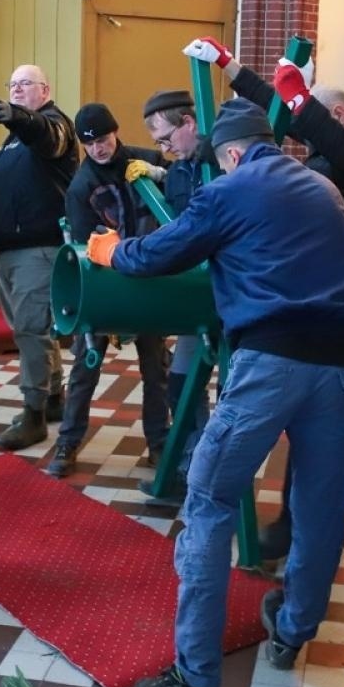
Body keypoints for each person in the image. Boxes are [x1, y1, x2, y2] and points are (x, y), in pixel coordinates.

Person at [90, 99, 344, 687]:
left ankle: (194, 674)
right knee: (320, 507)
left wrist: (110, 251)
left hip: (271, 361)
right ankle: (293, 630)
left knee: (210, 502)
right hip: (343, 367)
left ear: (233, 154)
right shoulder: (323, 188)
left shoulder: (232, 187)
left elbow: (160, 255)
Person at [187, 36, 344, 557]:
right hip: (342, 289)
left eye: (318, 123)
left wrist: (298, 96)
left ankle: (302, 520)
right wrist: (233, 68)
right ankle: (306, 512)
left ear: (338, 113)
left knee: (324, 399)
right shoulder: (337, 139)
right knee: (321, 398)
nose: (310, 152)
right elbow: (278, 124)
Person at [46, 103, 170, 478]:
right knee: (86, 367)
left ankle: (159, 443)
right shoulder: (81, 185)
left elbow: (185, 185)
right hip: (105, 284)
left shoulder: (145, 160)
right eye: (90, 144)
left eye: (103, 139)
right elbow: (86, 247)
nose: (98, 149)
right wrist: (101, 302)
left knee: (156, 367)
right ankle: (68, 442)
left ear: (115, 132)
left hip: (151, 279)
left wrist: (160, 172)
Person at [0, 64, 79, 451]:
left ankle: (33, 415)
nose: (17, 90)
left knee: (31, 330)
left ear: (45, 90)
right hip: (10, 250)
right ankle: (53, 398)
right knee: (35, 328)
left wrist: (22, 118)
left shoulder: (54, 125)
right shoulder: (13, 138)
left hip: (38, 249)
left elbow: (48, 137)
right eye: (13, 85)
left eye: (26, 84)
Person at [137, 88, 217, 501]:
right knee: (182, 387)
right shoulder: (183, 167)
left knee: (233, 396)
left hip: (233, 298)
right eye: (158, 146)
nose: (165, 150)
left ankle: (211, 479)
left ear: (189, 123)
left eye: (167, 140)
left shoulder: (221, 158)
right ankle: (190, 467)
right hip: (198, 298)